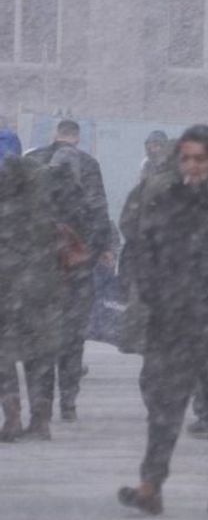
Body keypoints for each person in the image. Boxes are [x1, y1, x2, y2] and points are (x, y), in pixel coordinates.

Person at [118, 125, 208, 515]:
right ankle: (151, 484)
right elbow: (145, 251)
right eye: (186, 158)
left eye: (199, 159)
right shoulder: (168, 201)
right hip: (172, 320)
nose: (192, 166)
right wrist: (154, 293)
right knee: (164, 408)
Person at [25, 119, 111, 422]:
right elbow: (99, 211)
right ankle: (68, 402)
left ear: (55, 134)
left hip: (41, 267)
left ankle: (42, 405)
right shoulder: (88, 165)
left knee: (42, 336)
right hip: (77, 266)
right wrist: (99, 250)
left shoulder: (34, 160)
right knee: (73, 337)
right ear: (78, 137)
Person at [0, 131, 64, 442]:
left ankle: (12, 416)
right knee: (41, 352)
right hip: (41, 284)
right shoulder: (44, 194)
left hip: (5, 284)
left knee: (3, 351)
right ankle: (40, 419)